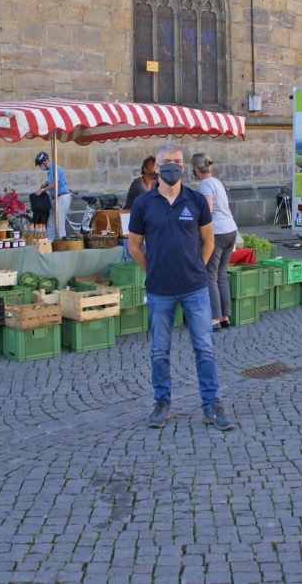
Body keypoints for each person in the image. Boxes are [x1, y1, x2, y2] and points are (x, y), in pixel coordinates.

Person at [127, 143, 235, 432]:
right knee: (160, 351)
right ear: (156, 167)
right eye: (166, 161)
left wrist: (197, 267)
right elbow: (134, 246)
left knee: (205, 348)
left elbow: (209, 241)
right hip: (160, 289)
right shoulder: (143, 204)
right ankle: (162, 403)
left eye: (177, 161)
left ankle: (211, 405)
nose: (172, 165)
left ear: (184, 167)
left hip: (195, 288)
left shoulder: (197, 200)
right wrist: (152, 270)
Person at [191, 152, 238, 331]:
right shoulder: (217, 182)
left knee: (210, 275)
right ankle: (226, 316)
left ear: (196, 169)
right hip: (230, 229)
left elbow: (207, 210)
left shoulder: (205, 185)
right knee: (221, 274)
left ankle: (214, 319)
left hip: (217, 233)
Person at [34, 151, 71, 241]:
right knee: (51, 223)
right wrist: (46, 184)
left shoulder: (55, 168)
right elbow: (53, 182)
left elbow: (56, 183)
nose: (40, 167)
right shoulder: (51, 171)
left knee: (60, 223)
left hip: (62, 198)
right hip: (56, 198)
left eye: (40, 165)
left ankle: (61, 245)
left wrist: (42, 190)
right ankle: (49, 244)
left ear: (44, 162)